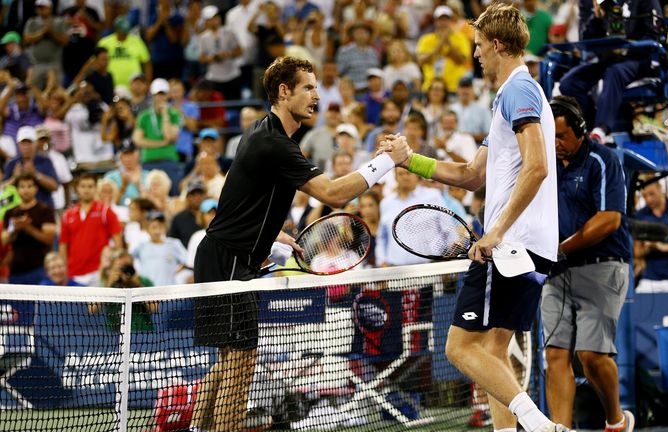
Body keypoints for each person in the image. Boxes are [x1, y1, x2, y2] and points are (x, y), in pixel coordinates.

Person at [189, 56, 409, 432]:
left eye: (316, 88)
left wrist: (270, 233)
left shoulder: (265, 134)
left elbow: (239, 200)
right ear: (283, 91)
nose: (316, 96)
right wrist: (388, 162)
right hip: (229, 260)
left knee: (228, 358)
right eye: (307, 87)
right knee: (241, 360)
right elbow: (335, 194)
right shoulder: (274, 143)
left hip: (223, 255)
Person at [382, 4, 564, 431]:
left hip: (510, 245)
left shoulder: (520, 91)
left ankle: (540, 426)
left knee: (460, 349)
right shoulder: (512, 97)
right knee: (493, 354)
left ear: (497, 45)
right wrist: (410, 161)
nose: (477, 54)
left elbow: (537, 166)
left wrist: (496, 231)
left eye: (480, 46)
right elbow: (470, 175)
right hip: (528, 246)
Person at [542, 96, 635, 432]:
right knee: (554, 356)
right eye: (548, 136)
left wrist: (560, 248)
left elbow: (609, 219)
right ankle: (561, 429)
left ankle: (617, 420)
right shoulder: (544, 166)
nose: (554, 144)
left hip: (602, 267)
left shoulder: (603, 159)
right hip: (557, 272)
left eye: (561, 136)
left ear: (580, 131)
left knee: (591, 357)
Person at [558, 0, 663, 143]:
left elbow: (654, 34)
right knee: (569, 83)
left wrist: (627, 48)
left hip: (640, 59)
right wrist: (597, 18)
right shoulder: (603, 2)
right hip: (610, 58)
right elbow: (586, 39)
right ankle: (587, 126)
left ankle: (601, 130)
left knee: (614, 72)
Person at [59, 173, 124, 286]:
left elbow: (118, 243)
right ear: (77, 189)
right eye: (83, 186)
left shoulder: (105, 211)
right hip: (74, 273)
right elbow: (63, 246)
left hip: (98, 273)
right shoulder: (67, 215)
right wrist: (64, 271)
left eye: (90, 186)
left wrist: (112, 269)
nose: (86, 190)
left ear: (95, 189)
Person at [1, 173, 56, 284]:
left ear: (36, 189)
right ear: (17, 189)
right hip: (15, 270)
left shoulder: (45, 210)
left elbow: (49, 239)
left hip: (40, 269)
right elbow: (4, 240)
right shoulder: (10, 212)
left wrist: (28, 227)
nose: (26, 190)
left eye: (29, 186)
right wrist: (16, 228)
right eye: (22, 186)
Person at [3, 125, 58, 208]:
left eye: (29, 143)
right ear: (18, 144)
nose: (26, 146)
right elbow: (2, 189)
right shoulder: (12, 164)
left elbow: (55, 186)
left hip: (43, 209)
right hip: (18, 210)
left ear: (35, 143)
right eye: (23, 143)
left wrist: (36, 174)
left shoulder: (45, 161)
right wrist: (14, 178)